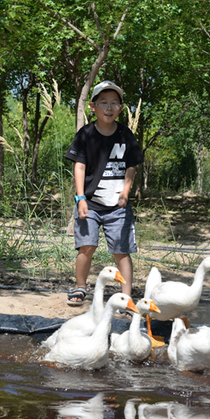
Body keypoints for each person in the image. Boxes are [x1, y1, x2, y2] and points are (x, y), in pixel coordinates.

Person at [64, 81, 144, 306]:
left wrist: (125, 192)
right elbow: (79, 166)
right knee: (86, 246)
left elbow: (131, 166)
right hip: (89, 203)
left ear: (120, 108)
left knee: (122, 251)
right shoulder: (86, 134)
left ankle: (126, 297)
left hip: (117, 205)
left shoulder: (125, 135)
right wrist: (80, 198)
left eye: (114, 103)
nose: (109, 108)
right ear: (93, 106)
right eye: (103, 103)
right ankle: (80, 287)